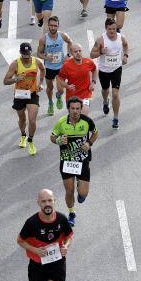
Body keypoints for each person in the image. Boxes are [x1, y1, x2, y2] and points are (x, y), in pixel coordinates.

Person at [50, 97, 98, 227]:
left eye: (78, 108)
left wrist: (89, 143)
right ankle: (71, 213)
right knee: (69, 191)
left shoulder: (87, 121)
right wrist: (59, 140)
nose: (75, 111)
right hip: (66, 161)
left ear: (81, 109)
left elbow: (95, 133)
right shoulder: (61, 122)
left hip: (83, 161)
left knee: (82, 195)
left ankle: (80, 188)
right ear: (68, 109)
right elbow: (52, 137)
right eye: (73, 108)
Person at [3, 42, 45, 154]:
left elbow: (43, 69)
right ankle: (23, 135)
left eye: (28, 54)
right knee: (22, 119)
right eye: (24, 54)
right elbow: (5, 81)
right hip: (20, 95)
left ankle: (30, 141)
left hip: (32, 94)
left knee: (32, 120)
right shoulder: (15, 64)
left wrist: (40, 83)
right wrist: (16, 79)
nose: (26, 56)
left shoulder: (36, 61)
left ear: (31, 52)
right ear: (20, 53)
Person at [90, 18, 129, 129]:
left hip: (116, 68)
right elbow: (92, 54)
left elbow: (126, 45)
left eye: (114, 29)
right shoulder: (101, 40)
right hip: (104, 70)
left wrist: (125, 56)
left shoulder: (121, 37)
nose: (112, 31)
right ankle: (105, 101)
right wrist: (101, 51)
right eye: (109, 29)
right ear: (106, 28)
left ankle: (116, 118)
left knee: (115, 93)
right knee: (105, 90)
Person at [37, 16, 72, 116]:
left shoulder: (62, 35)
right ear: (48, 26)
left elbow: (70, 42)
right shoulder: (43, 39)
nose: (53, 28)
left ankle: (58, 96)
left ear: (58, 26)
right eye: (51, 26)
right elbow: (38, 53)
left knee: (61, 89)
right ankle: (50, 103)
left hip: (61, 66)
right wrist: (45, 57)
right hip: (49, 68)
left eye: (55, 26)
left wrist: (68, 55)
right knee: (50, 87)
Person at [57, 45, 97, 116]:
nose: (78, 53)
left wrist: (93, 83)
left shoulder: (88, 62)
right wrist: (67, 86)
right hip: (72, 96)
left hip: (85, 94)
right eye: (75, 52)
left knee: (84, 115)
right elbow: (61, 80)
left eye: (79, 51)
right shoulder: (66, 66)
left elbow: (94, 70)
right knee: (74, 117)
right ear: (71, 53)